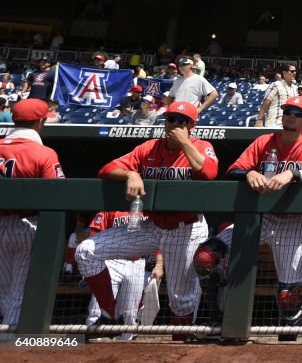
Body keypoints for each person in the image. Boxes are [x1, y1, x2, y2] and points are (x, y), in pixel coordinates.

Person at [76, 101, 218, 340]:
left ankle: (179, 348)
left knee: (181, 299)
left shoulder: (202, 145)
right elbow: (107, 169)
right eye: (171, 119)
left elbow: (209, 173)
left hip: (186, 228)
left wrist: (184, 143)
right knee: (86, 251)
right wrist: (131, 173)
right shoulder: (149, 148)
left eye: (182, 121)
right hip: (150, 225)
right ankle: (111, 316)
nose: (175, 124)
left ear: (192, 125)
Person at [197, 96, 302, 341]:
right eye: (287, 111)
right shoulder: (265, 141)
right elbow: (234, 169)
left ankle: (287, 343)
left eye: (296, 112)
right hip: (262, 218)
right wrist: (248, 173)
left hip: (294, 221)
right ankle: (218, 325)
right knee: (207, 255)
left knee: (288, 293)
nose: (290, 115)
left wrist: (292, 173)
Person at [0, 99, 65, 333]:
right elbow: (57, 194)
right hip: (27, 226)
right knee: (19, 290)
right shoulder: (43, 152)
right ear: (40, 122)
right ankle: (9, 344)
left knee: (3, 289)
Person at [83, 210, 161, 340]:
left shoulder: (147, 212)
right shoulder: (111, 209)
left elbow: (157, 241)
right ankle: (92, 343)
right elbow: (94, 235)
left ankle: (124, 349)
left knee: (130, 312)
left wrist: (159, 264)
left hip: (136, 263)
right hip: (111, 261)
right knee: (97, 307)